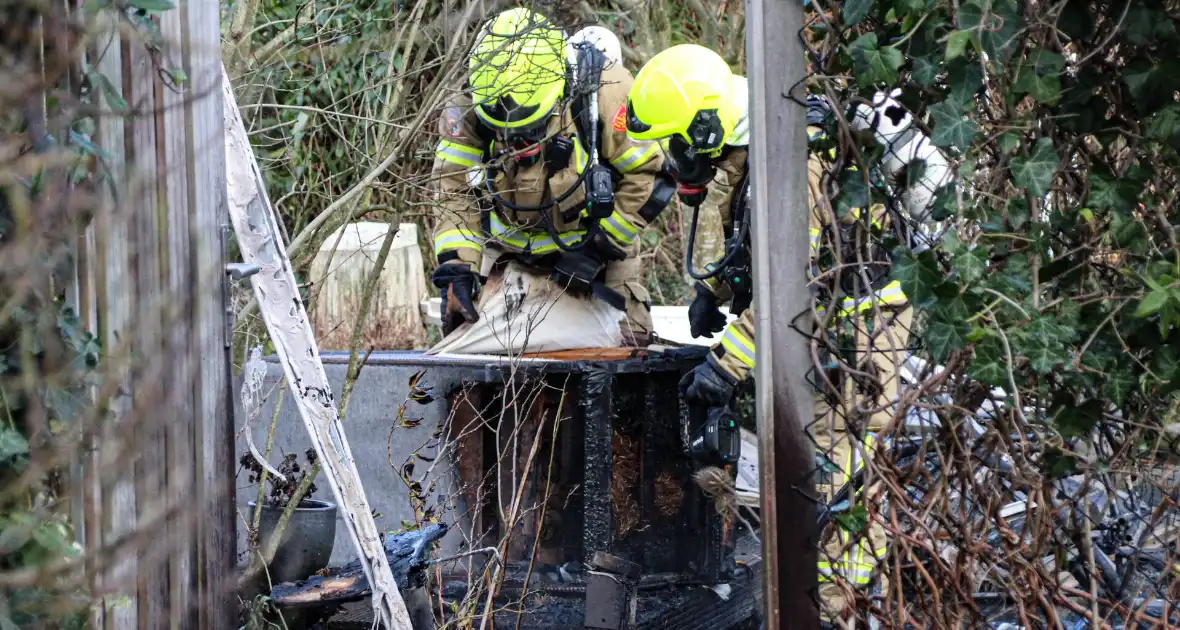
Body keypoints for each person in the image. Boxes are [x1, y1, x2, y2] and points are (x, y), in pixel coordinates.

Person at [625, 43, 952, 626]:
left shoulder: (789, 161)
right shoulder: (756, 148)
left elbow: (793, 286)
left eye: (676, 143)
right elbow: (760, 247)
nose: (676, 160)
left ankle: (834, 609)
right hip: (823, 327)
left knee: (836, 477)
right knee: (807, 471)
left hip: (858, 332)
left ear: (704, 127)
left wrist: (726, 364)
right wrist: (715, 291)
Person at [429, 9, 675, 347]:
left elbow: (649, 176)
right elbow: (452, 189)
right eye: (505, 133)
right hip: (505, 256)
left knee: (630, 345)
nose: (518, 144)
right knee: (465, 346)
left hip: (596, 256)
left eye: (530, 129)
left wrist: (598, 249)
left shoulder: (605, 92)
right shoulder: (467, 105)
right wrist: (459, 266)